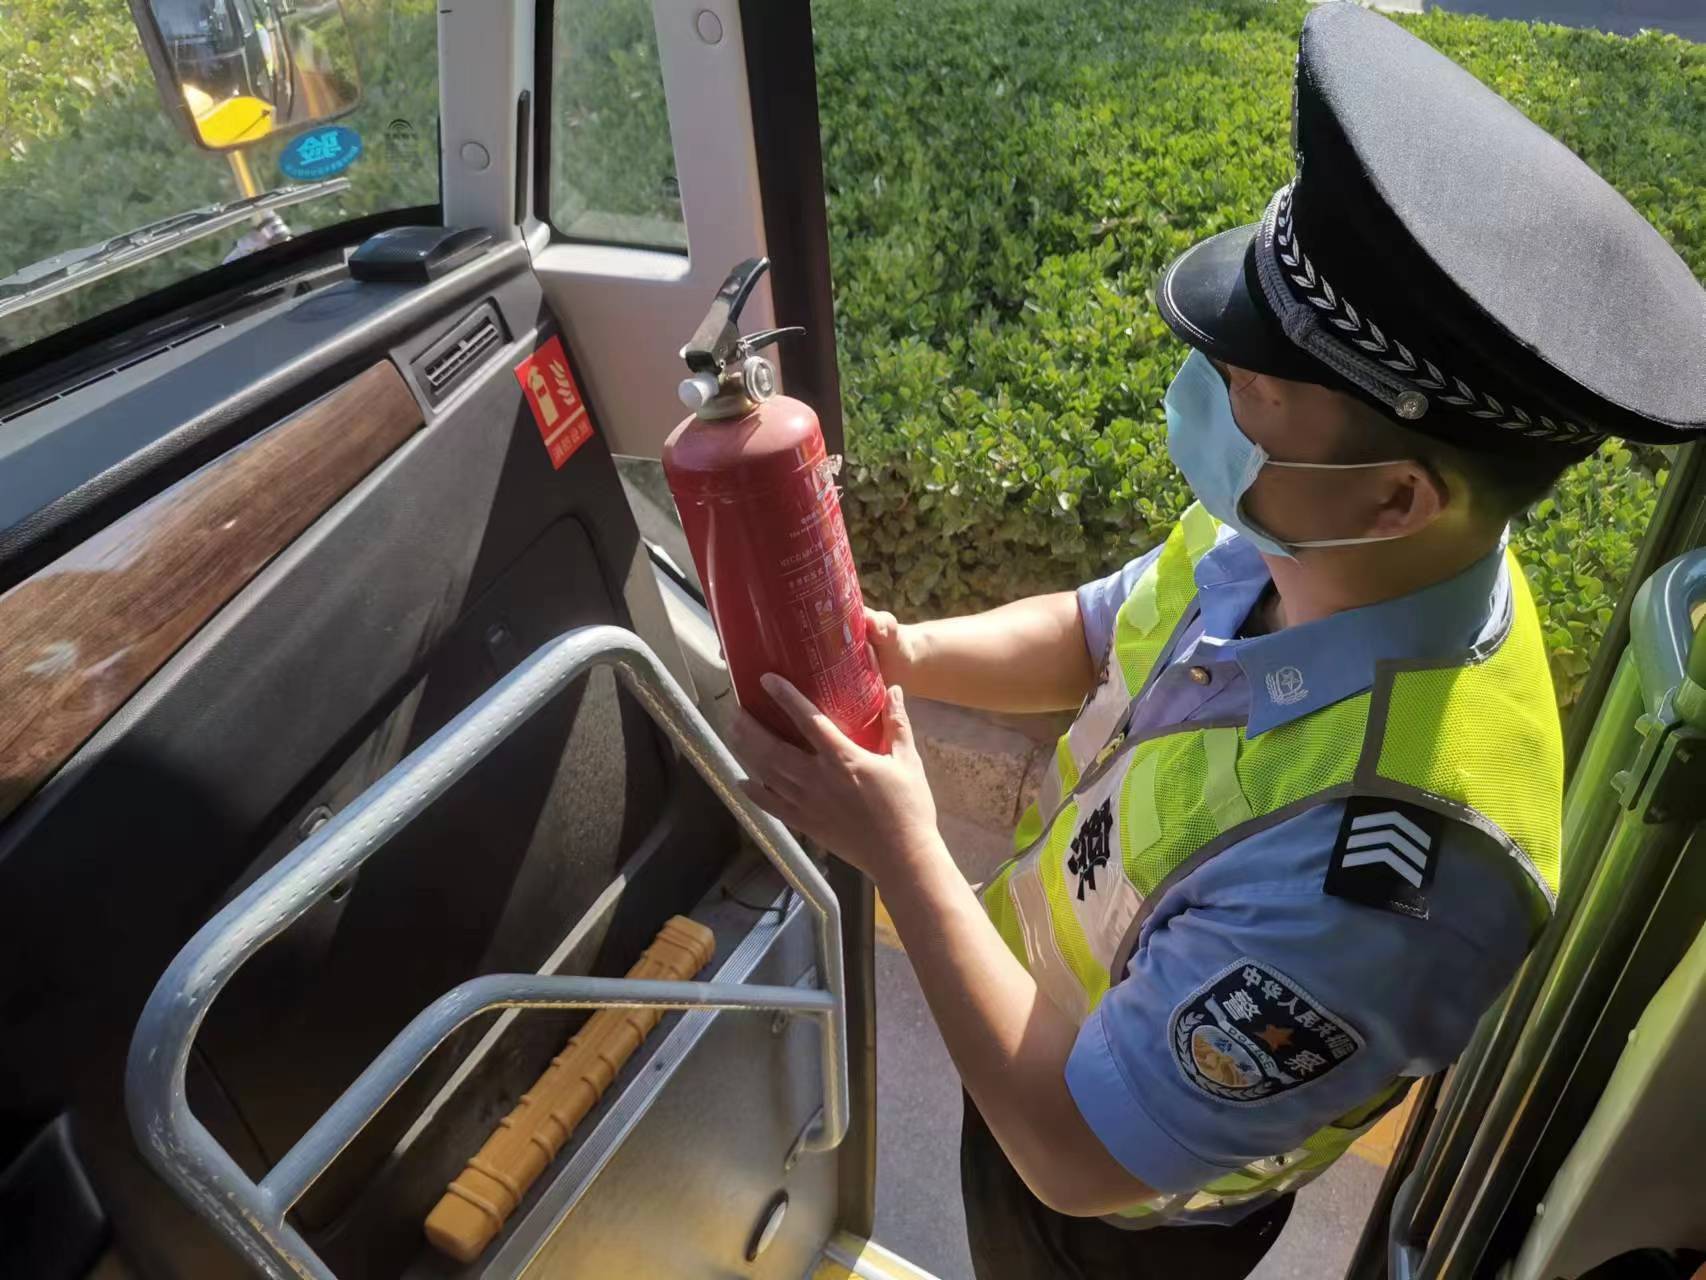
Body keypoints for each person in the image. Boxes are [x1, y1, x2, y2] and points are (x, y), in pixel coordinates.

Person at [730, 4, 1706, 1277]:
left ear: (1398, 493)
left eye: (1252, 389)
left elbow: (1078, 1155)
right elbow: (1098, 628)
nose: (1208, 400)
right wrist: (906, 648)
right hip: (1025, 1022)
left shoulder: (1390, 890)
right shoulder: (1311, 536)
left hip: (1119, 1211)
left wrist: (904, 847)